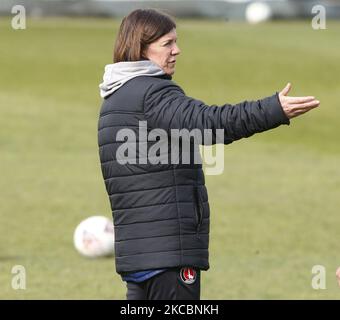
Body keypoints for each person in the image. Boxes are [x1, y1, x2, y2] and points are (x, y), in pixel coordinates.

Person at [97, 9, 320, 300]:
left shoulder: (115, 97)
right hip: (168, 254)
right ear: (140, 47)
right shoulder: (152, 94)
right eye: (167, 44)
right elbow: (210, 123)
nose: (177, 50)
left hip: (139, 255)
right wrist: (273, 110)